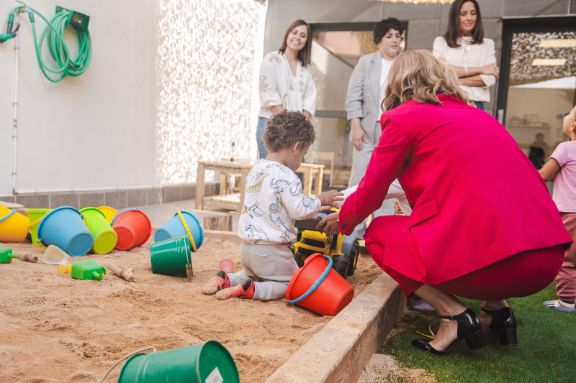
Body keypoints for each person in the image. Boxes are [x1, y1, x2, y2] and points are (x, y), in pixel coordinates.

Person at [319, 50, 571, 354]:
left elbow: (373, 189)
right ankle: (496, 310)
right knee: (485, 219)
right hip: (544, 262)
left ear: (398, 83)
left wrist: (345, 219)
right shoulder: (479, 116)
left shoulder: (403, 118)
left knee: (379, 233)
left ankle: (453, 315)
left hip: (491, 269)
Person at [202, 111, 342, 301]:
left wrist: (312, 202)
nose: (300, 163)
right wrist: (320, 200)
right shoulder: (287, 176)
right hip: (272, 251)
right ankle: (252, 291)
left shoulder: (257, 169)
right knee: (292, 282)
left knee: (250, 274)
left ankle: (227, 279)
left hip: (247, 249)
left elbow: (275, 200)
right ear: (297, 147)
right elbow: (299, 210)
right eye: (303, 155)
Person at [256, 20, 317, 159]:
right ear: (287, 34)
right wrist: (289, 125)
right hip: (271, 124)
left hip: (295, 130)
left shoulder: (306, 69)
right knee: (270, 173)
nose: (297, 37)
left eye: (302, 35)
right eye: (294, 32)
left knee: (291, 175)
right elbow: (269, 91)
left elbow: (310, 96)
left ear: (306, 41)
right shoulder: (271, 59)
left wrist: (299, 126)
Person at [539, 105, 576, 314]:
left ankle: (567, 302)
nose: (566, 115)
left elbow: (544, 174)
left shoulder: (566, 148)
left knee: (567, 259)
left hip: (570, 213)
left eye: (570, 113)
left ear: (572, 125)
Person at [433, 0, 499, 110]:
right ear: (455, 17)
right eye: (463, 14)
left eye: (473, 13)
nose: (469, 18)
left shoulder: (488, 44)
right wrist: (481, 69)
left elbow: (490, 79)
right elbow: (441, 72)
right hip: (448, 102)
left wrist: (452, 81)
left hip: (476, 105)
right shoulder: (441, 42)